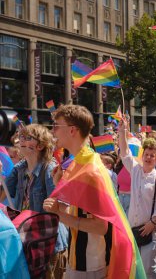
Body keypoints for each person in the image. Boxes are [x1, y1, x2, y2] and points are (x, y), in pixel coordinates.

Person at [43, 105, 110, 278]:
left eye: (56, 126)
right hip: (77, 258)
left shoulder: (90, 170)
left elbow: (100, 226)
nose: (53, 131)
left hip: (89, 263)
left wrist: (58, 213)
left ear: (72, 130)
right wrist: (59, 187)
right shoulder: (77, 164)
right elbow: (77, 209)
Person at [0, 124, 68, 279]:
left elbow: (61, 208)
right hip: (27, 237)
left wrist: (54, 203)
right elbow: (2, 196)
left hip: (48, 241)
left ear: (41, 145)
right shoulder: (19, 168)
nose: (21, 140)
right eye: (21, 136)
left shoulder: (50, 169)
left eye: (27, 137)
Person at [119, 117, 156, 279]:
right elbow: (125, 153)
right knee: (137, 268)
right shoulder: (135, 170)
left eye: (152, 155)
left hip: (152, 231)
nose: (148, 158)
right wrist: (123, 131)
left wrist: (152, 223)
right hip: (135, 228)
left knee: (149, 269)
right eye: (146, 154)